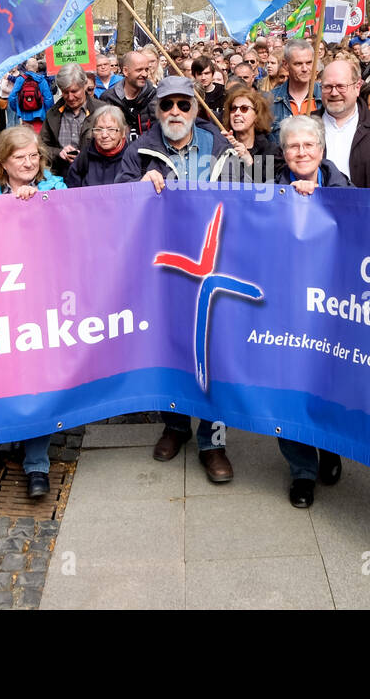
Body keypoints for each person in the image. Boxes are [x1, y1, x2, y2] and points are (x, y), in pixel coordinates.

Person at [115, 75, 239, 483]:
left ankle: (213, 441)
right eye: (167, 105)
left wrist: (247, 163)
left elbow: (247, 200)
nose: (175, 113)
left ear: (196, 109)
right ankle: (175, 425)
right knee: (171, 347)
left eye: (183, 105)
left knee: (212, 350)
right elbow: (117, 198)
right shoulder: (141, 150)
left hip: (215, 262)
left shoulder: (220, 148)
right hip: (166, 268)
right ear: (157, 110)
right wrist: (138, 187)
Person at [0, 127, 67, 497]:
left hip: (42, 300)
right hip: (1, 302)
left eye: (33, 156)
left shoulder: (56, 187)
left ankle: (37, 463)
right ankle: (14, 432)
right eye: (19, 157)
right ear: (2, 163)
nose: (28, 163)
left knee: (37, 380)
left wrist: (39, 201)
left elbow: (71, 227)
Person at [271, 114, 351, 508]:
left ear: (322, 149)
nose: (301, 152)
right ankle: (301, 469)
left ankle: (331, 446)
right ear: (283, 152)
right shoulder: (268, 192)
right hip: (285, 308)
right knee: (290, 386)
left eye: (308, 145)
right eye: (292, 146)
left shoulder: (345, 188)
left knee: (329, 382)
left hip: (333, 309)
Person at [318, 59, 370, 189]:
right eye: (327, 87)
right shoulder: (305, 125)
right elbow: (279, 171)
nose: (334, 93)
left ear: (357, 88)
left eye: (341, 86)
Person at [40, 63, 101, 179]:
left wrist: (84, 156)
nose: (70, 97)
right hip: (62, 178)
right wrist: (59, 153)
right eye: (65, 92)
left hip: (94, 177)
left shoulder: (102, 111)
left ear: (84, 85)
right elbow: (41, 147)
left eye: (74, 91)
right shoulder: (53, 114)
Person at [221, 85, 281, 183]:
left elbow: (267, 191)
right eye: (233, 108)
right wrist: (222, 146)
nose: (237, 113)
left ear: (257, 115)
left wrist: (249, 162)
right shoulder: (223, 146)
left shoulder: (270, 151)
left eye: (244, 109)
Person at [66, 104, 130, 188]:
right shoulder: (84, 156)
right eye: (99, 129)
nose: (104, 135)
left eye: (111, 129)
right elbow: (72, 190)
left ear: (122, 133)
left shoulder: (131, 158)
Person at [100, 50, 157, 140]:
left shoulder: (156, 97)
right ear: (125, 71)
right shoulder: (108, 99)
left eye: (146, 69)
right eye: (139, 70)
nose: (145, 74)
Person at [269, 40, 321, 131]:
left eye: (309, 63)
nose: (305, 69)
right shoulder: (270, 101)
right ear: (285, 64)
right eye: (298, 64)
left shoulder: (325, 96)